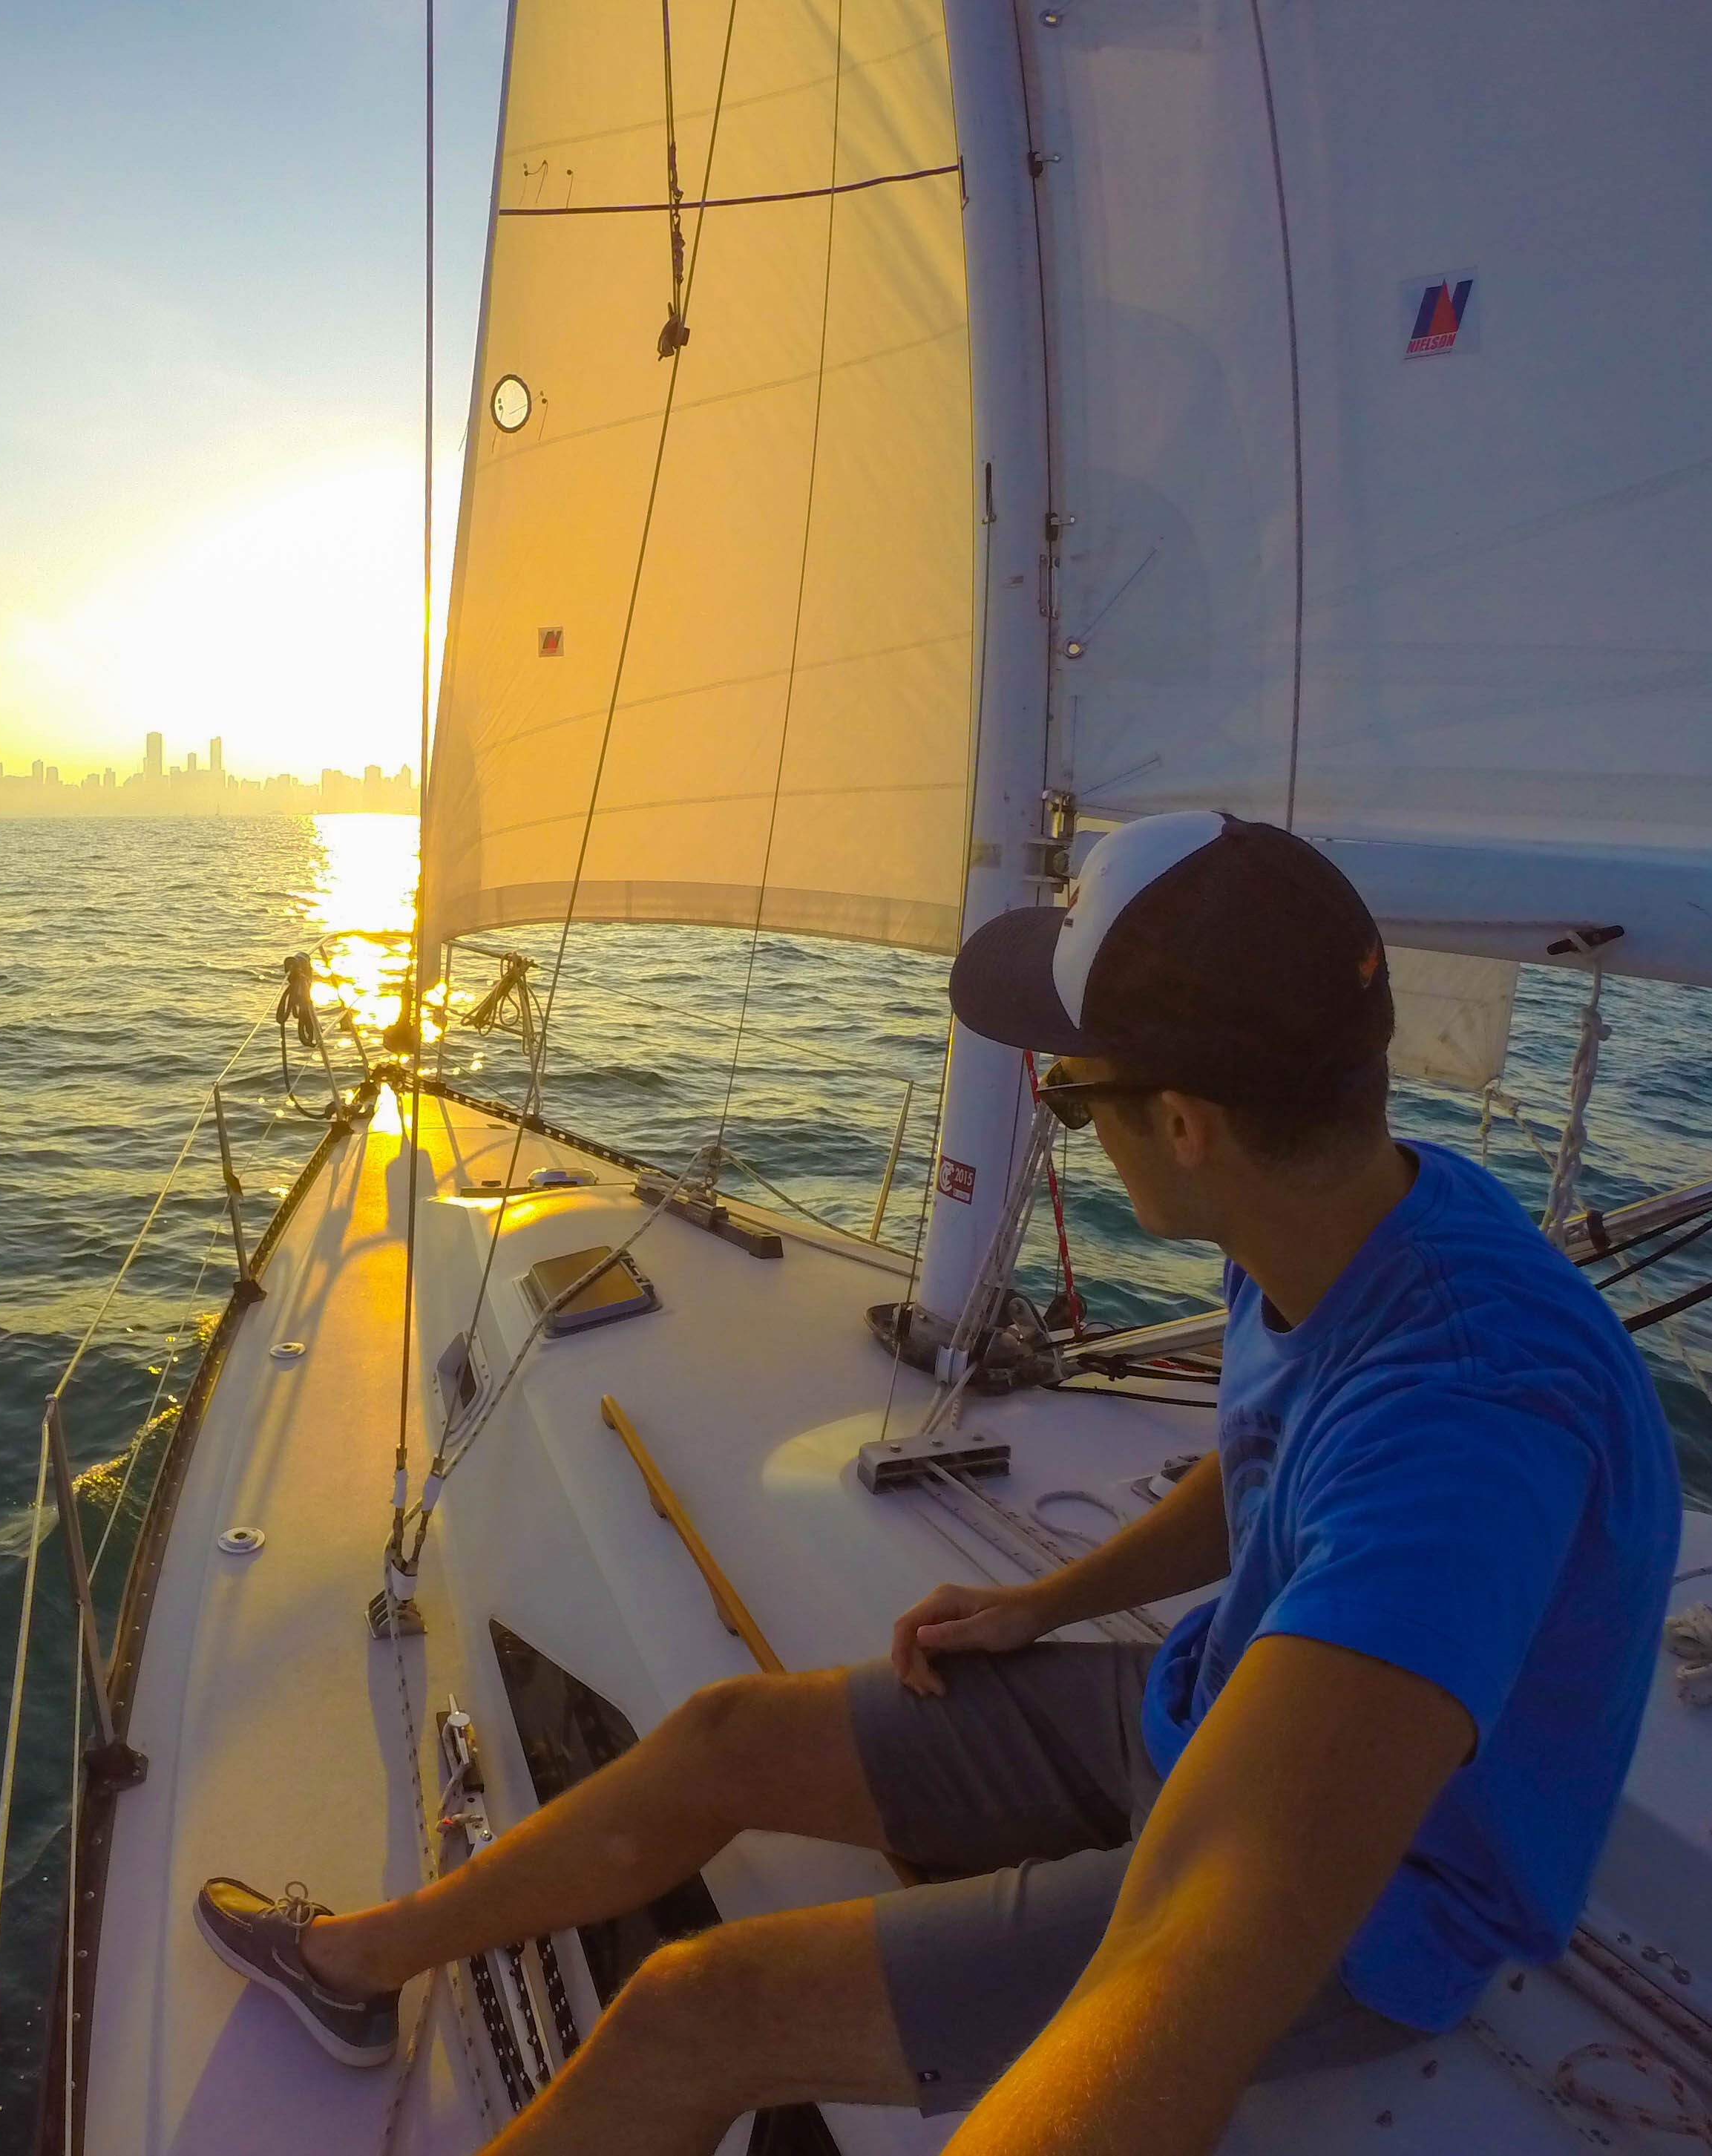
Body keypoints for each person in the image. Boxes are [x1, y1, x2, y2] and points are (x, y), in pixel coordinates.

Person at [191, 812, 1679, 2155]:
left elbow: (1221, 1938)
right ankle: (365, 1963)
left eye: (1070, 1081)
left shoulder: (1470, 1421)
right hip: (1190, 1702)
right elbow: (1268, 1468)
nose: (1054, 1105)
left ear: (1182, 1126)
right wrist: (1046, 1600)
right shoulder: (1344, 1216)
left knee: (693, 2011)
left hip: (1381, 1906)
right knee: (721, 1734)